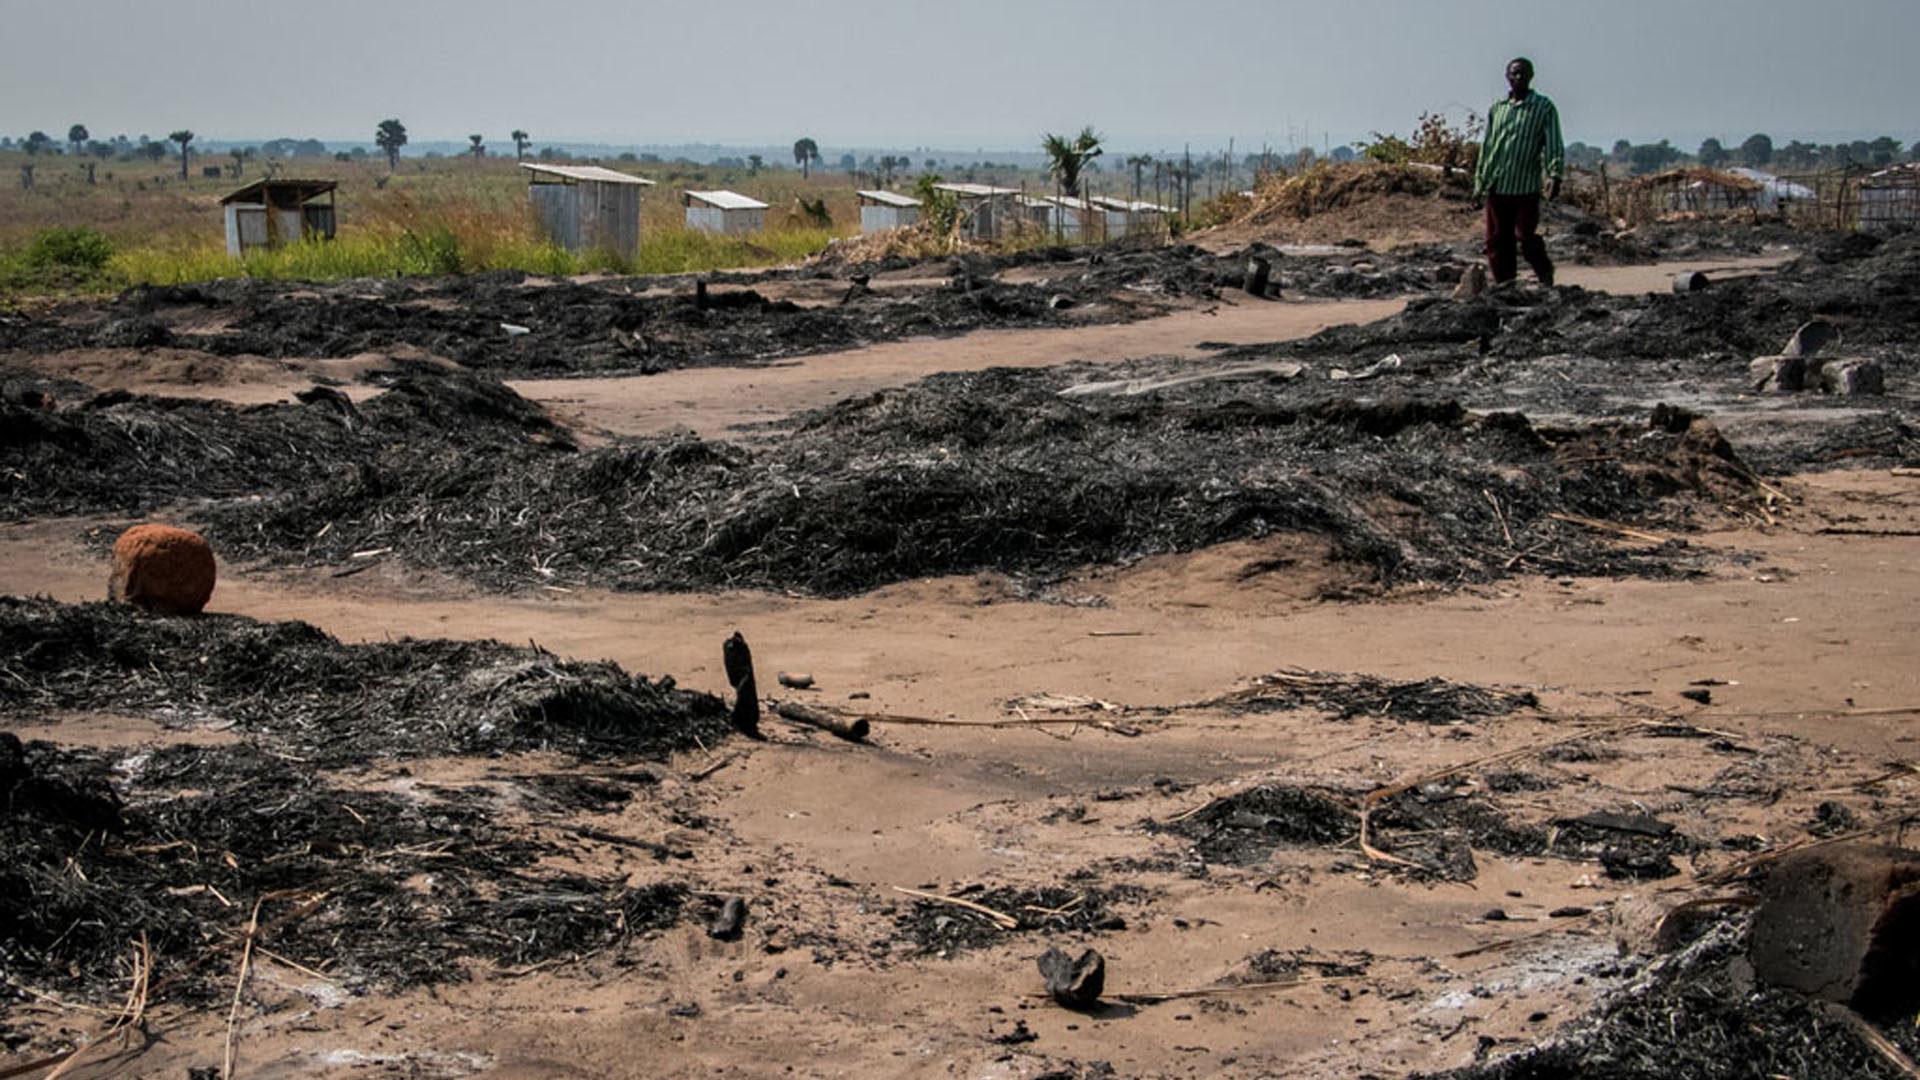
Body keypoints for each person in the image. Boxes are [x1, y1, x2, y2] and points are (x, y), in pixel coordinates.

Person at [1473, 57, 1564, 286]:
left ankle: (1544, 272)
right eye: (1514, 74)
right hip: (1498, 184)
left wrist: (1554, 175)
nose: (1518, 78)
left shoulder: (1543, 107)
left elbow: (1553, 143)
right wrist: (1479, 183)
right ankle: (1505, 284)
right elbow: (1488, 148)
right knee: (1497, 239)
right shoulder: (1498, 109)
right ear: (1507, 77)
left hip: (1525, 186)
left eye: (1523, 73)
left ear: (1531, 76)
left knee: (1525, 236)